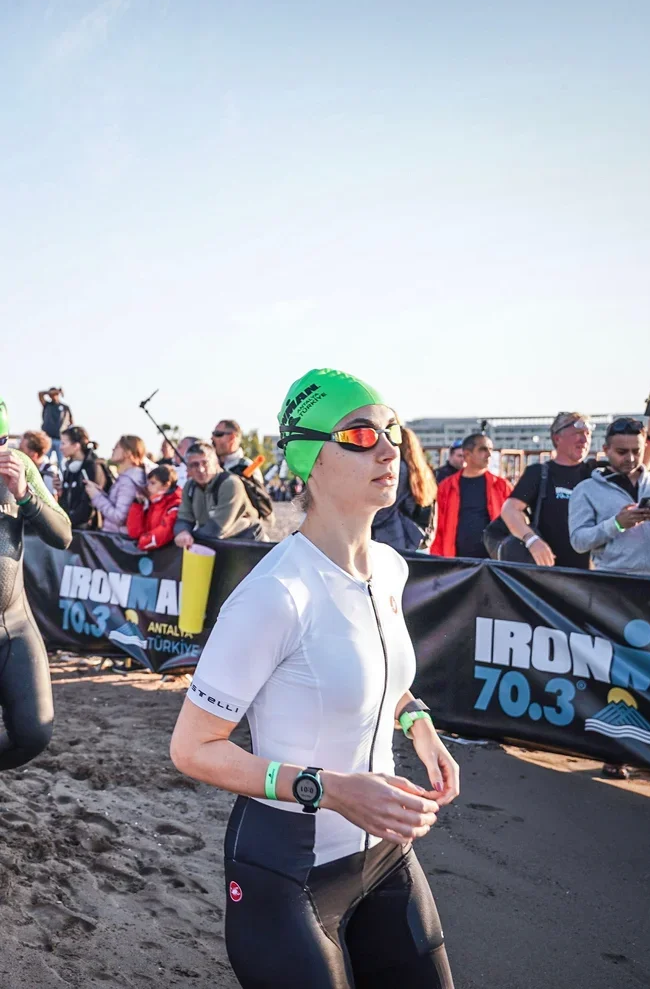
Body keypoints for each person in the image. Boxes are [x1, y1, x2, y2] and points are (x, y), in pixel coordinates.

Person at [170, 368, 457, 989]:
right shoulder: (275, 594)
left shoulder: (390, 566)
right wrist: (330, 789)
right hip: (287, 870)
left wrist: (420, 725)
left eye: (392, 431)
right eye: (360, 436)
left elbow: (377, 676)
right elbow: (192, 749)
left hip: (386, 854)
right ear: (310, 460)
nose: (388, 450)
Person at [488, 407, 650, 567]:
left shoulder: (595, 472)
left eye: (588, 434)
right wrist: (532, 540)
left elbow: (635, 466)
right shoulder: (540, 472)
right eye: (577, 433)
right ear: (557, 437)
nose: (584, 439)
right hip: (549, 568)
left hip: (588, 571)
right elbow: (510, 510)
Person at [0, 395, 72, 769]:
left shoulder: (19, 465)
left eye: (1, 442)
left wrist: (24, 496)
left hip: (12, 624)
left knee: (33, 734)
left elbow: (63, 535)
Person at [568, 418, 650, 578]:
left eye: (636, 451)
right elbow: (579, 542)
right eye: (622, 452)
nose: (631, 458)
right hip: (613, 583)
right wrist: (616, 524)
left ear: (644, 447)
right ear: (606, 449)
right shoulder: (586, 490)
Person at [430, 432, 510, 558]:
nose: (489, 455)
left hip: (494, 559)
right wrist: (438, 558)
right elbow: (438, 525)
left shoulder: (501, 486)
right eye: (483, 450)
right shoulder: (447, 486)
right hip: (456, 558)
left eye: (490, 450)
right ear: (467, 454)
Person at [174, 442, 268, 547]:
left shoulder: (230, 484)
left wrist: (190, 537)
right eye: (194, 465)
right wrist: (183, 532)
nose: (200, 469)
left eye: (205, 463)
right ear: (187, 468)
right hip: (217, 541)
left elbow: (217, 528)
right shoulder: (190, 486)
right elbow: (184, 517)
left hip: (249, 541)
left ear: (216, 463)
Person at [372, 426, 438, 551]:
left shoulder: (399, 470)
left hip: (393, 534)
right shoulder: (422, 471)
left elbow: (385, 508)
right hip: (413, 535)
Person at [212, 418, 274, 525]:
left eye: (218, 434)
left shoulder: (247, 467)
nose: (212, 438)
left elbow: (263, 509)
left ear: (232, 437)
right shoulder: (210, 466)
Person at [85, 435, 150, 534]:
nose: (113, 449)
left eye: (117, 447)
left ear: (128, 453)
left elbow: (119, 517)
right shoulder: (131, 477)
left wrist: (96, 496)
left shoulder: (128, 481)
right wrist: (100, 493)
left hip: (117, 537)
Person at [59, 426, 113, 529]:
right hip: (72, 527)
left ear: (76, 446)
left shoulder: (93, 467)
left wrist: (66, 523)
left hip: (88, 530)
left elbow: (88, 506)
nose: (60, 448)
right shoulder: (69, 468)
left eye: (63, 443)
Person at [126, 465, 183, 551]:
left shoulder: (175, 506)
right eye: (148, 483)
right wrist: (137, 505)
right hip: (153, 552)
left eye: (153, 483)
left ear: (166, 485)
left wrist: (142, 543)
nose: (148, 487)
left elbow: (165, 532)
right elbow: (135, 533)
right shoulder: (154, 504)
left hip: (167, 554)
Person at [38, 387, 73, 469]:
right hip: (48, 438)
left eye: (55, 394)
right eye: (51, 395)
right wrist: (55, 391)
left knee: (61, 463)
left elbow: (71, 422)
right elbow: (40, 394)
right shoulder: (47, 405)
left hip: (60, 439)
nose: (53, 396)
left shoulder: (65, 407)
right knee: (45, 461)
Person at [18, 430, 59, 498]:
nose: (18, 452)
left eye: (21, 449)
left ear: (34, 454)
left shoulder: (49, 472)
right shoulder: (24, 467)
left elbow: (52, 500)